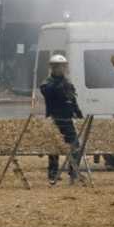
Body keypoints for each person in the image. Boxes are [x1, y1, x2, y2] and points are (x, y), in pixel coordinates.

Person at [40, 54, 84, 185]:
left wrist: (78, 112)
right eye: (58, 67)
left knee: (75, 147)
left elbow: (72, 99)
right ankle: (53, 174)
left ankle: (73, 172)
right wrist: (59, 85)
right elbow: (48, 94)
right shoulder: (47, 84)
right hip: (54, 119)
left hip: (68, 120)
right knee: (54, 148)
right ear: (53, 68)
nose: (61, 69)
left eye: (63, 66)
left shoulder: (67, 83)